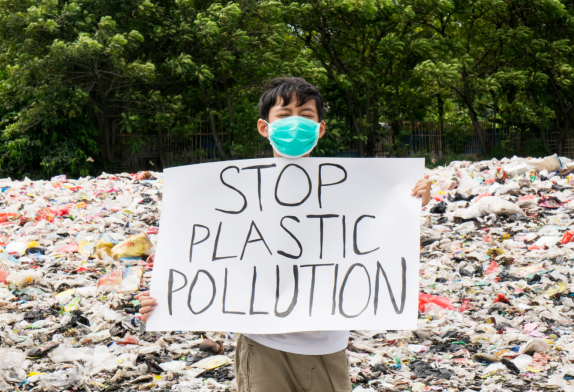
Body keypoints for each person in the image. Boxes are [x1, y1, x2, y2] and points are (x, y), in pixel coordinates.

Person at [135, 77, 432, 392]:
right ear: (265, 127)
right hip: (263, 349)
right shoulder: (228, 196)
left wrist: (410, 203)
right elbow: (208, 261)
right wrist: (165, 299)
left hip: (328, 351)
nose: (295, 123)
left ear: (320, 128)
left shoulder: (354, 194)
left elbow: (380, 250)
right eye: (284, 114)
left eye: (306, 116)